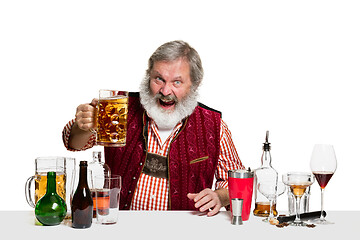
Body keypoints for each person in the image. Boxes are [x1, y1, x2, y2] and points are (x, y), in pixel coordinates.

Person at [62, 40, 244, 216]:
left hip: (186, 231)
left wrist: (219, 197)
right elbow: (73, 143)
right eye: (159, 79)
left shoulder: (214, 125)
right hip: (120, 227)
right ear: (148, 76)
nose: (165, 91)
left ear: (195, 84)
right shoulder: (119, 110)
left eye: (177, 82)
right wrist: (83, 126)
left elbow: (238, 184)